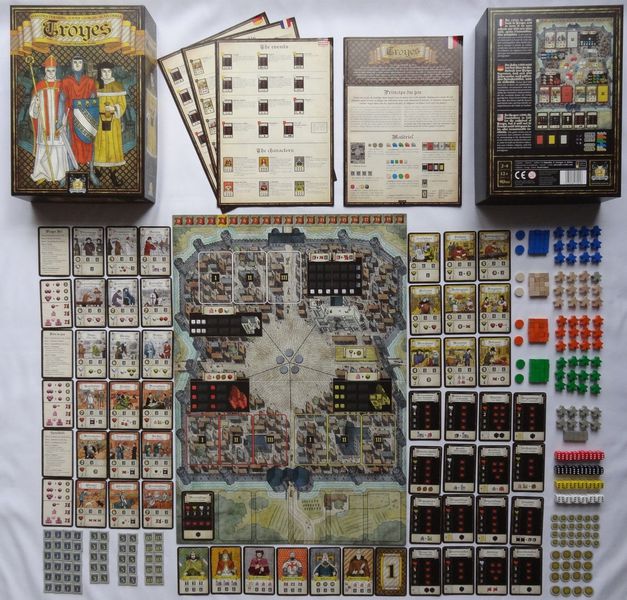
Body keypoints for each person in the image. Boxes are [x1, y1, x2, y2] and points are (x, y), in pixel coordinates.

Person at [29, 55, 69, 183]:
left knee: (58, 148)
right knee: (44, 149)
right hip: (45, 126)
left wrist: (64, 121)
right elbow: (33, 112)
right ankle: (42, 174)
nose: (51, 73)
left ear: (56, 70)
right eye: (48, 71)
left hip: (58, 124)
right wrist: (35, 104)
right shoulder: (39, 86)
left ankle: (60, 175)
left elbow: (67, 105)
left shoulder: (61, 85)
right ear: (45, 71)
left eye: (53, 70)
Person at [94, 62, 126, 186]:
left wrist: (114, 108)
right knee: (99, 146)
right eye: (104, 71)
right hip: (98, 122)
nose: (106, 74)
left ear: (112, 72)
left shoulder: (118, 86)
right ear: (100, 73)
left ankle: (113, 174)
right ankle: (97, 173)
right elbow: (91, 101)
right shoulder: (96, 85)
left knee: (113, 146)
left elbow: (122, 104)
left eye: (108, 71)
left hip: (113, 122)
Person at [61, 56, 97, 166]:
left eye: (79, 62)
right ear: (71, 65)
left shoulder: (90, 82)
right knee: (71, 141)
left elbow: (93, 101)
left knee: (87, 140)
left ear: (83, 64)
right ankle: (71, 166)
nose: (77, 64)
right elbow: (62, 99)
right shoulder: (66, 81)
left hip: (86, 117)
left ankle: (89, 166)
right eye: (75, 62)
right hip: (71, 117)